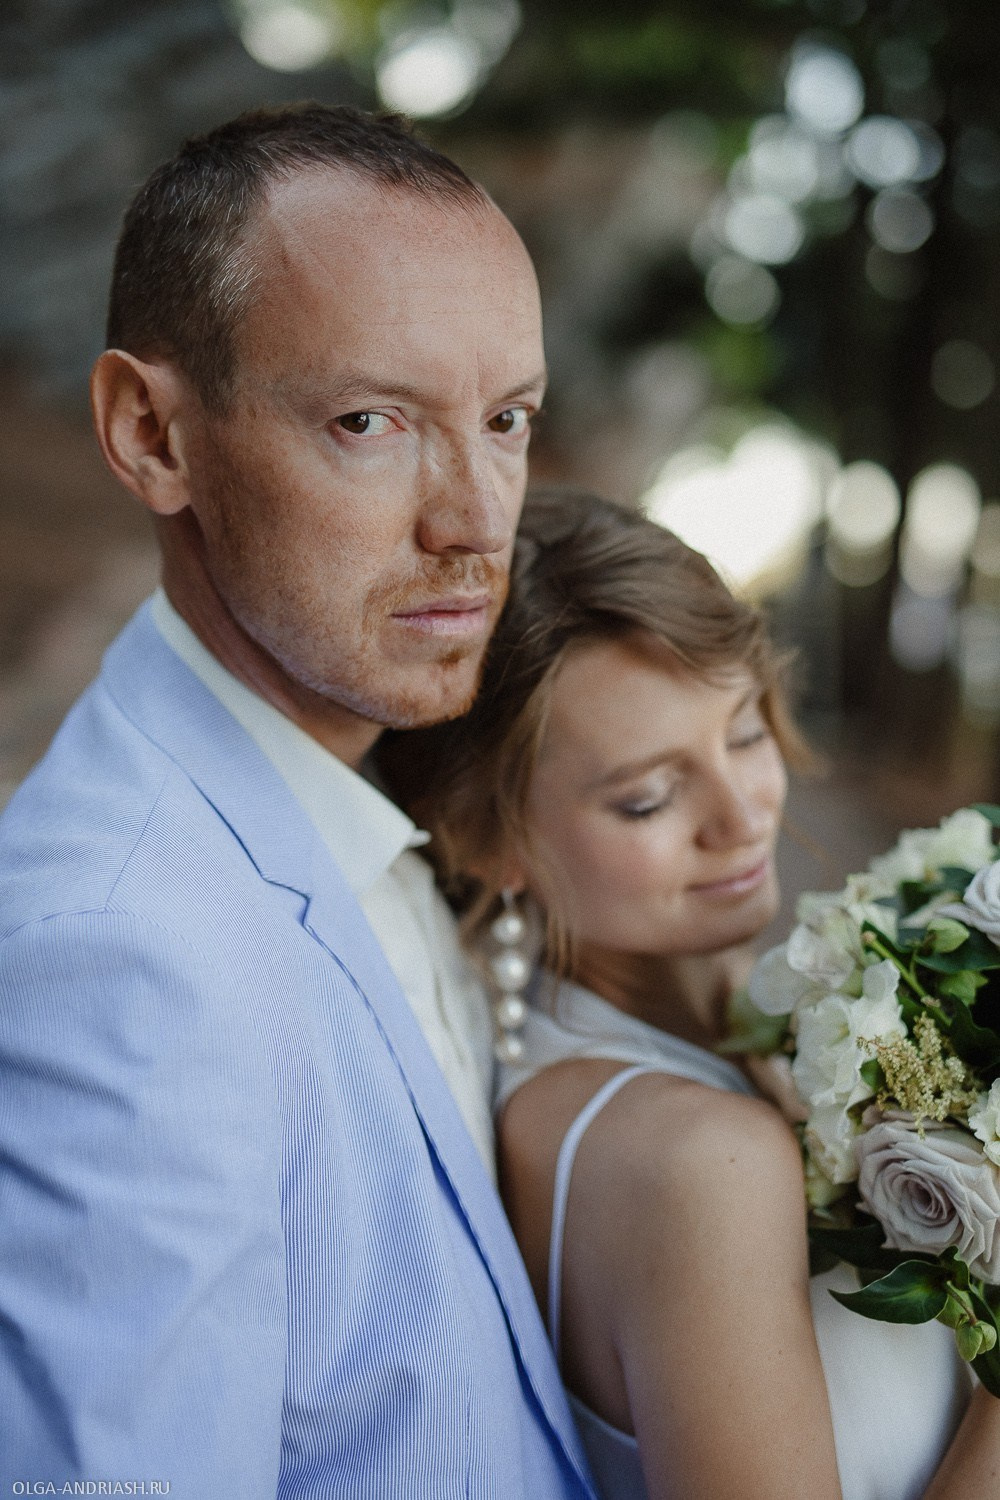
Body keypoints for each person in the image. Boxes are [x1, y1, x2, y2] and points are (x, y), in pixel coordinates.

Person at [0, 106, 597, 1498]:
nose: (475, 520)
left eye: (506, 419)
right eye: (370, 422)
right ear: (153, 435)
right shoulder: (120, 956)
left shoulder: (388, 805)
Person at [380, 487, 1000, 1500]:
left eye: (745, 729)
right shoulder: (696, 1158)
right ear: (483, 838)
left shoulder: (751, 1036)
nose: (739, 815)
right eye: (648, 795)